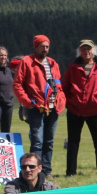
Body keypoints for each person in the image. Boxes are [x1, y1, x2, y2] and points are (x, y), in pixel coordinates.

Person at [13, 35, 66, 178]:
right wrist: (27, 102)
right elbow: (17, 84)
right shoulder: (26, 62)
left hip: (53, 107)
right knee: (37, 141)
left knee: (49, 141)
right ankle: (34, 171)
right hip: (36, 107)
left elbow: (58, 84)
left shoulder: (53, 63)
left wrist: (61, 100)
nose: (45, 49)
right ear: (35, 46)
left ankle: (47, 170)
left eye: (47, 46)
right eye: (42, 46)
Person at [61, 39, 97, 176]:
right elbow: (64, 86)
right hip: (75, 109)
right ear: (80, 51)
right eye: (83, 49)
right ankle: (70, 171)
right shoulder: (73, 66)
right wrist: (67, 102)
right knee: (73, 142)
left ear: (93, 50)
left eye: (89, 49)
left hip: (95, 109)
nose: (86, 51)